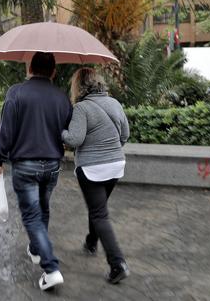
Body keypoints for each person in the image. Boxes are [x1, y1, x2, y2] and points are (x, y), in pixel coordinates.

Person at [0, 52, 72, 291]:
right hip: (52, 165)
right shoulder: (62, 97)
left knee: (32, 216)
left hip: (25, 165)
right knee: (43, 209)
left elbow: (6, 130)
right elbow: (67, 131)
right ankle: (36, 249)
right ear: (53, 72)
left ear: (30, 67)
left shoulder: (16, 93)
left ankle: (51, 268)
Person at [61, 68, 130, 284]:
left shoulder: (81, 108)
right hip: (116, 165)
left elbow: (73, 140)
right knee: (98, 207)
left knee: (99, 213)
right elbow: (125, 134)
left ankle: (117, 263)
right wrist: (111, 151)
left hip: (92, 169)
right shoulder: (114, 103)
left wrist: (59, 131)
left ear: (78, 86)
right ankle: (91, 241)